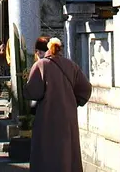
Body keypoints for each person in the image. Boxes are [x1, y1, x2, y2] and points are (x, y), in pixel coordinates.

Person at [24, 38, 92, 172]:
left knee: (46, 153)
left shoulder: (41, 65)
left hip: (47, 116)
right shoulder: (71, 65)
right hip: (68, 117)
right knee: (67, 152)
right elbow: (86, 89)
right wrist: (73, 102)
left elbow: (32, 92)